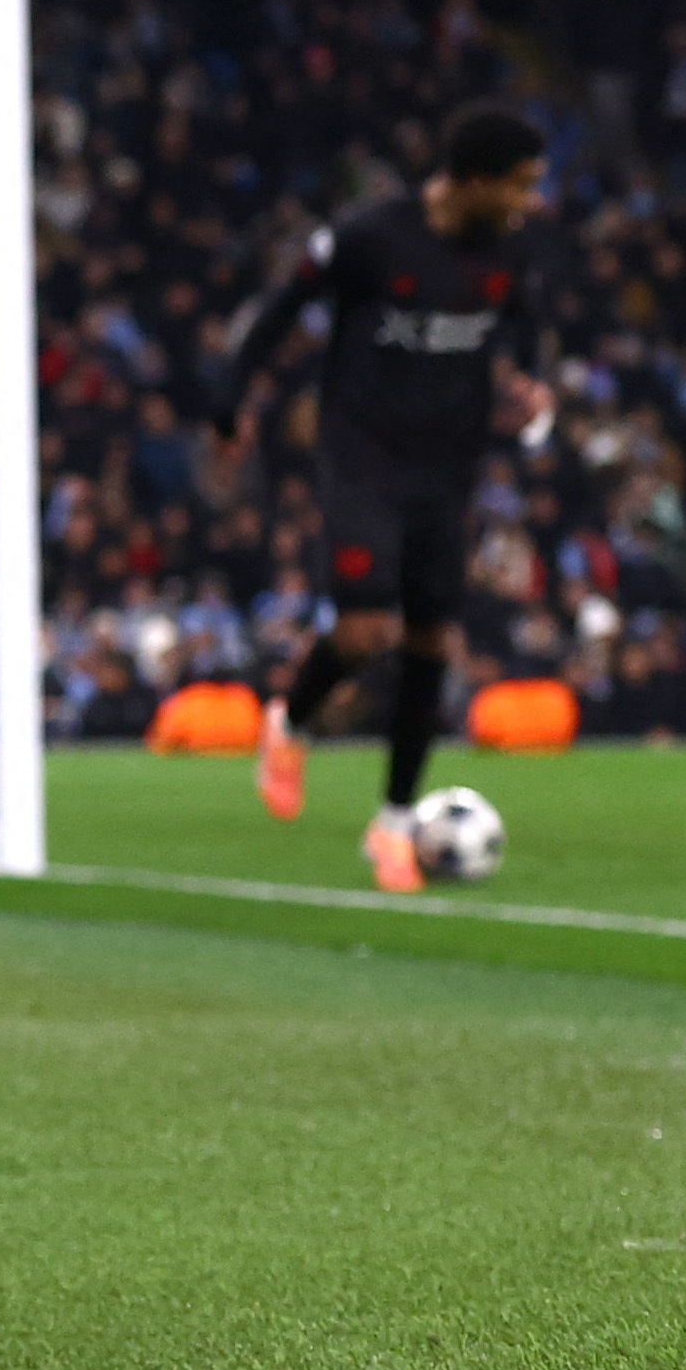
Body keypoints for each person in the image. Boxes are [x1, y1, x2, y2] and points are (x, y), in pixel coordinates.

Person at [233, 101, 553, 890]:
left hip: (450, 468)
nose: (529, 201)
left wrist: (529, 384)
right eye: (520, 185)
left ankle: (393, 823)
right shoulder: (374, 236)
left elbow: (526, 324)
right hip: (364, 458)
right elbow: (282, 308)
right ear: (474, 180)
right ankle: (291, 719)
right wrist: (229, 397)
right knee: (366, 627)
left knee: (430, 644)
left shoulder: (506, 251)